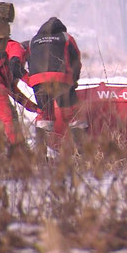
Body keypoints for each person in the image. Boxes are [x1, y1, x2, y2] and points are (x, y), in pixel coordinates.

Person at [28, 17, 86, 157]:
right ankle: (83, 153)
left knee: (45, 116)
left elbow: (30, 61)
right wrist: (74, 80)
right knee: (73, 115)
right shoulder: (66, 37)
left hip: (38, 80)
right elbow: (76, 59)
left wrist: (34, 80)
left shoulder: (33, 40)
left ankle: (40, 156)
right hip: (60, 79)